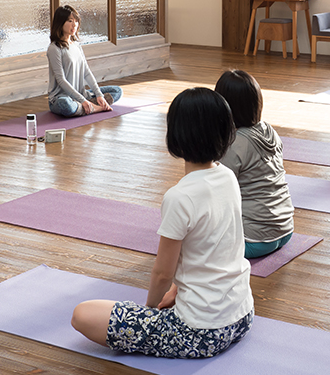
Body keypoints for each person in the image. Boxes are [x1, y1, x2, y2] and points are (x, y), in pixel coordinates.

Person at [71, 87, 254, 358]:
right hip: (242, 316)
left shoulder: (179, 197)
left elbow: (162, 274)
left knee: (81, 314)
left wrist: (148, 311)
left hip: (199, 332)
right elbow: (217, 248)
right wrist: (179, 289)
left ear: (176, 135)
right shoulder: (228, 177)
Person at [215, 69, 294, 259]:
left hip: (253, 241)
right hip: (285, 230)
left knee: (193, 244)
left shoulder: (235, 144)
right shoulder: (269, 130)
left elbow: (215, 190)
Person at [47, 5, 122, 117]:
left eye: (76, 21)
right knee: (66, 105)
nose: (74, 25)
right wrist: (82, 100)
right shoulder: (54, 48)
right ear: (60, 23)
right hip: (61, 98)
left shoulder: (76, 45)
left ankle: (87, 107)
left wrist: (98, 94)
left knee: (117, 91)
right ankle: (95, 108)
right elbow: (61, 80)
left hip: (81, 95)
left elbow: (86, 72)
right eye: (70, 21)